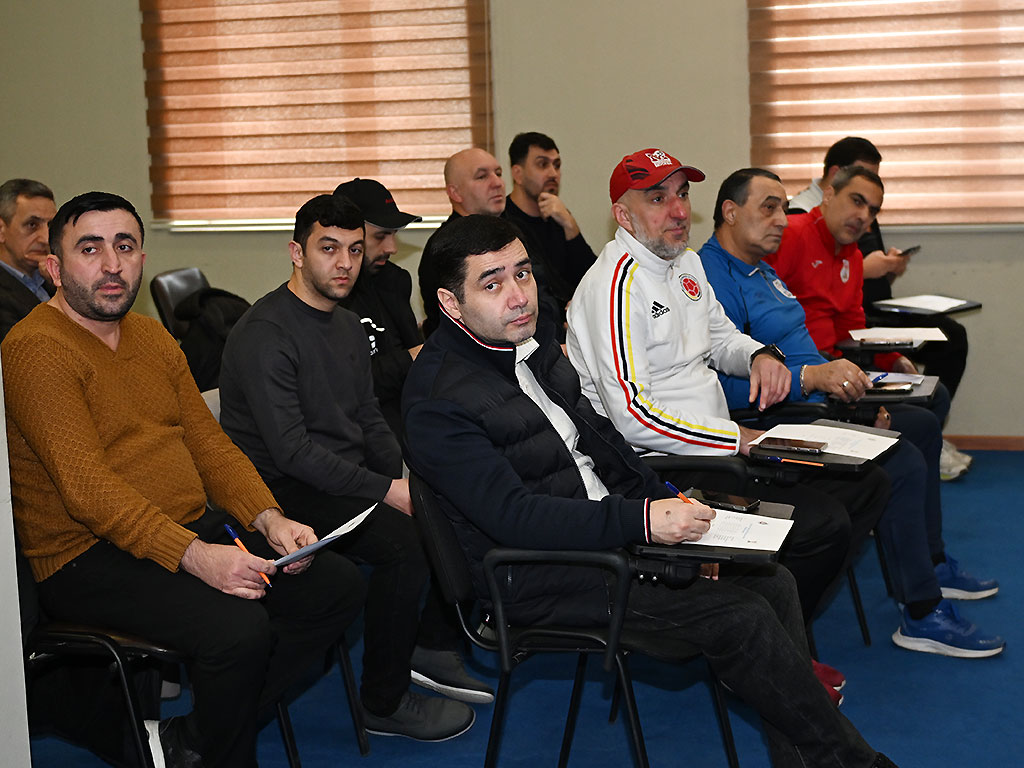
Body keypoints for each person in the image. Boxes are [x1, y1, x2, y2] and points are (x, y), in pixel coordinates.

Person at [402, 213, 898, 768]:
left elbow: (610, 450)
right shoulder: (439, 402)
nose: (519, 296)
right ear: (450, 304)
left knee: (772, 581)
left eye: (522, 273)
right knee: (742, 616)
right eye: (492, 285)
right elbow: (515, 518)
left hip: (607, 539)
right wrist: (642, 523)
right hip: (539, 575)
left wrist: (668, 503)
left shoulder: (531, 347)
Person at [3, 191, 363, 767]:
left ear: (142, 259)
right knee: (237, 630)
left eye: (125, 246)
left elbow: (209, 446)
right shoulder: (35, 349)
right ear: (54, 268)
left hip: (178, 528)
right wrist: (197, 557)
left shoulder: (150, 337)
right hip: (83, 554)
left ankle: (194, 739)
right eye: (90, 249)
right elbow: (89, 491)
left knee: (334, 587)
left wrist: (269, 518)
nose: (112, 264)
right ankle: (210, 744)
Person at [566, 148, 889, 623]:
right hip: (660, 469)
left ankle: (777, 625)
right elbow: (632, 417)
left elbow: (721, 338)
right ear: (623, 215)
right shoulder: (614, 287)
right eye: (657, 199)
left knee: (866, 485)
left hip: (715, 448)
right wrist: (736, 438)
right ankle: (761, 628)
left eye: (682, 195)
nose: (679, 211)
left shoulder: (686, 264)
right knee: (823, 523)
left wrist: (759, 355)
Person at [699, 168, 1003, 657]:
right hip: (773, 419)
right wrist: (817, 383)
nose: (781, 219)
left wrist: (847, 394)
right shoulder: (711, 278)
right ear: (730, 212)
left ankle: (930, 561)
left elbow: (810, 349)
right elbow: (724, 386)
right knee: (900, 459)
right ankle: (921, 610)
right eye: (768, 208)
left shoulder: (763, 270)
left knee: (923, 423)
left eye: (784, 208)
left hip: (814, 401)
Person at [219, 194, 486, 743]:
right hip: (276, 493)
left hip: (334, 477)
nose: (344, 263)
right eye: (328, 248)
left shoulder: (343, 325)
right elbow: (292, 452)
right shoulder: (266, 333)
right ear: (297, 252)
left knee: (442, 507)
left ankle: (427, 646)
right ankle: (383, 702)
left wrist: (404, 481)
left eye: (355, 250)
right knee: (406, 546)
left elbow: (367, 416)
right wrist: (386, 490)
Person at [789, 138, 972, 478]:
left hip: (842, 368)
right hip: (810, 376)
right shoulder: (792, 233)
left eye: (872, 210)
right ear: (828, 194)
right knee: (920, 427)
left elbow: (852, 326)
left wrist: (893, 360)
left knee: (935, 393)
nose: (864, 217)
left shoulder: (851, 253)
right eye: (856, 201)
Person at [335, 177, 424, 436]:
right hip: (363, 431)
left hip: (409, 417)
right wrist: (410, 358)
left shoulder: (395, 280)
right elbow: (346, 386)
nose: (392, 248)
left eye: (394, 234)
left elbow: (415, 354)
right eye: (380, 236)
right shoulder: (332, 295)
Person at [503, 132, 596, 325]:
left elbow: (592, 279)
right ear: (518, 174)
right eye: (542, 164)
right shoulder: (502, 222)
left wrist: (570, 225)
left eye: (557, 165)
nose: (553, 173)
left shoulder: (560, 216)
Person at [418, 147, 506, 337]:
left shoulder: (509, 233)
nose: (498, 183)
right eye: (482, 177)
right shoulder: (447, 247)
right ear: (455, 193)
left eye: (498, 173)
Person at [0, 178, 57, 340]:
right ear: (1, 230)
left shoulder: (51, 280)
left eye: (51, 226)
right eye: (32, 225)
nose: (46, 238)